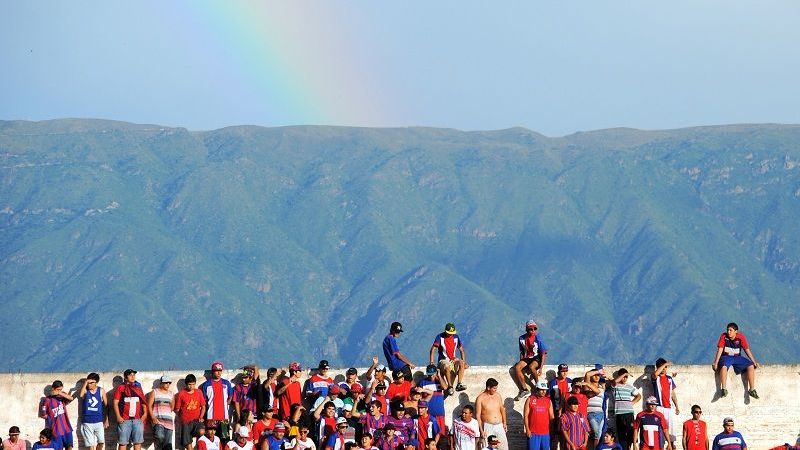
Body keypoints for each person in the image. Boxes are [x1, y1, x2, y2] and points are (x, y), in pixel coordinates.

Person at [712, 323, 759, 399]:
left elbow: (746, 349)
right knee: (724, 366)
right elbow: (720, 349)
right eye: (728, 330)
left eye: (731, 330)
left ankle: (752, 389)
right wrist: (716, 363)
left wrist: (754, 361)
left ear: (736, 331)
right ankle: (723, 389)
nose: (728, 332)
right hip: (726, 357)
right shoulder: (724, 336)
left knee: (750, 366)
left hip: (737, 357)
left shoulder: (741, 337)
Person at [113, 369, 148, 450]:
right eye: (130, 375)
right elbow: (115, 403)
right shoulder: (121, 387)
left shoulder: (138, 387)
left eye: (133, 375)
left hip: (137, 419)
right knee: (123, 443)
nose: (132, 376)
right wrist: (118, 416)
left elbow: (143, 401)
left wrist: (145, 413)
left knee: (138, 442)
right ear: (125, 377)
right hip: (124, 420)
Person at [429, 323, 468, 394]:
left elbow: (461, 350)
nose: (450, 334)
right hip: (443, 359)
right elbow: (433, 349)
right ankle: (450, 386)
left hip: (453, 359)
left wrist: (464, 361)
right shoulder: (440, 337)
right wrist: (432, 362)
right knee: (447, 366)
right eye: (449, 333)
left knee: (461, 363)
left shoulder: (456, 337)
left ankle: (459, 384)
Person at [201, 361, 235, 441]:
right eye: (217, 371)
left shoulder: (226, 383)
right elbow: (204, 401)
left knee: (225, 440)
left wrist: (224, 404)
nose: (219, 373)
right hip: (211, 417)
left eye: (220, 371)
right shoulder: (206, 385)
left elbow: (230, 397)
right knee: (211, 440)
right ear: (212, 371)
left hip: (224, 418)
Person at [514, 320, 548, 400]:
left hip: (537, 358)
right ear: (527, 330)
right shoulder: (521, 339)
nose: (533, 331)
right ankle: (525, 389)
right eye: (531, 329)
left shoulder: (538, 338)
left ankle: (537, 385)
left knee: (532, 367)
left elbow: (543, 353)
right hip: (527, 358)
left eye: (534, 329)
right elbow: (522, 351)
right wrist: (521, 361)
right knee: (517, 368)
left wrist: (541, 368)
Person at [175, 373, 207, 450]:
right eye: (189, 384)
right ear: (186, 384)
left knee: (202, 432)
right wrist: (182, 417)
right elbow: (177, 409)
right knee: (188, 445)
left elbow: (203, 406)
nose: (191, 386)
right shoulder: (181, 394)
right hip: (185, 422)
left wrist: (201, 417)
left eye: (193, 384)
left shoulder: (198, 392)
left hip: (196, 421)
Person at [651, 359, 680, 446]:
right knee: (660, 431)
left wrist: (677, 406)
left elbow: (673, 393)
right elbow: (655, 374)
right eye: (662, 367)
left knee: (671, 431)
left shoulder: (669, 379)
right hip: (659, 408)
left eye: (665, 367)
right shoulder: (656, 378)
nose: (664, 369)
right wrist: (665, 364)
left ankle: (671, 446)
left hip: (669, 408)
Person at [610, 369, 640, 450]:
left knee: (630, 432)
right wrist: (624, 374)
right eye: (623, 376)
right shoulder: (615, 385)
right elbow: (614, 382)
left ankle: (632, 447)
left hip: (629, 413)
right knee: (621, 434)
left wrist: (632, 403)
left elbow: (638, 396)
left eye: (626, 377)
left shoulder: (630, 387)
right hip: (619, 414)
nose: (625, 378)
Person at [40, 380, 74, 450]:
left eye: (61, 389)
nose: (59, 391)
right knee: (59, 448)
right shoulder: (47, 399)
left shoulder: (62, 396)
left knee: (69, 446)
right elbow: (43, 414)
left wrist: (60, 393)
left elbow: (71, 398)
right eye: (58, 389)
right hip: (56, 429)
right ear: (53, 388)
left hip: (66, 427)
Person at [78, 373, 109, 450]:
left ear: (96, 383)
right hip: (87, 421)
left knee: (101, 442)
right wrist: (85, 382)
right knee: (91, 444)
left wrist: (107, 419)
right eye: (88, 383)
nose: (89, 384)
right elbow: (81, 395)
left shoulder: (101, 390)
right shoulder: (85, 391)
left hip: (98, 420)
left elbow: (107, 406)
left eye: (91, 383)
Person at [475, 378, 508, 450]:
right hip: (487, 426)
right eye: (494, 388)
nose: (496, 390)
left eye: (496, 388)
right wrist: (481, 430)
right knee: (487, 447)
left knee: (503, 447)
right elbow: (478, 415)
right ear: (488, 387)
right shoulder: (480, 398)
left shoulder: (498, 395)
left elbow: (502, 409)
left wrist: (505, 423)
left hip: (499, 425)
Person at [148, 375, 176, 450]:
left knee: (168, 445)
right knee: (159, 437)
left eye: (169, 383)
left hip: (168, 422)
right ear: (161, 383)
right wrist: (153, 417)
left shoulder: (171, 394)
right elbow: (149, 405)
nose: (168, 384)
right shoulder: (155, 392)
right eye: (166, 383)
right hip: (158, 421)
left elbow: (172, 407)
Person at [583, 365, 607, 450]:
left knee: (599, 435)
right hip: (591, 413)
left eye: (598, 375)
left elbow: (612, 381)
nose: (597, 376)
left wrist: (603, 374)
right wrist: (598, 371)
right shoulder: (587, 385)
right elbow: (587, 374)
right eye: (595, 375)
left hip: (600, 413)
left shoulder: (601, 386)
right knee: (596, 432)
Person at [524, 381, 554, 450]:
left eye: (545, 390)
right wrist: (527, 429)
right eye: (541, 390)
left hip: (545, 433)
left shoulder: (548, 401)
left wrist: (552, 430)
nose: (544, 392)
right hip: (533, 433)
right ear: (537, 389)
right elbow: (525, 416)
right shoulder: (530, 399)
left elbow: (551, 416)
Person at [548, 364, 572, 450]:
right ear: (559, 372)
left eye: (566, 371)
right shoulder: (553, 382)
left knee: (567, 433)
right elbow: (549, 398)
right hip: (556, 410)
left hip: (568, 411)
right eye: (562, 371)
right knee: (556, 432)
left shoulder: (570, 382)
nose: (565, 373)